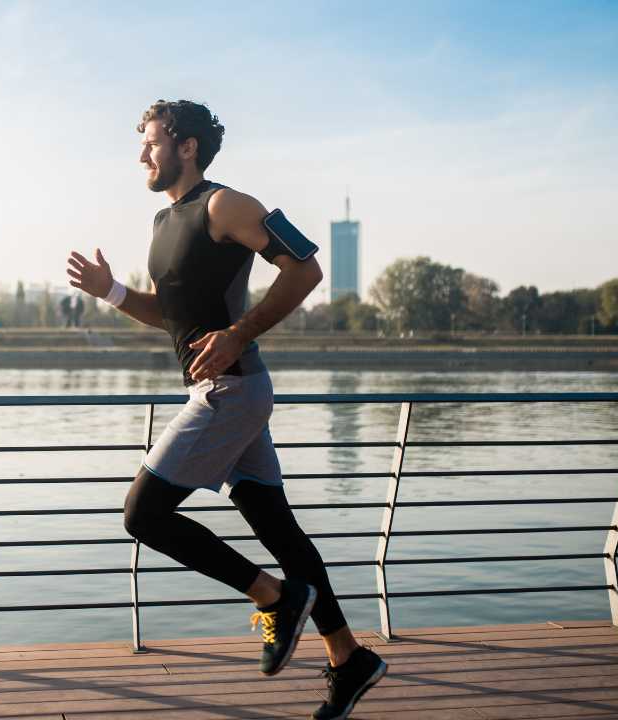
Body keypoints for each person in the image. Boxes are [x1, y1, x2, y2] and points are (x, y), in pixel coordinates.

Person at [66, 100, 386, 720]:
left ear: (186, 146)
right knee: (276, 527)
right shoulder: (165, 221)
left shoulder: (227, 204)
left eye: (151, 143)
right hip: (220, 391)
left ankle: (273, 599)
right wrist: (111, 291)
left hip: (232, 391)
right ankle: (349, 659)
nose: (141, 155)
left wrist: (239, 334)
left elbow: (307, 268)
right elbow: (174, 315)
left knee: (143, 513)